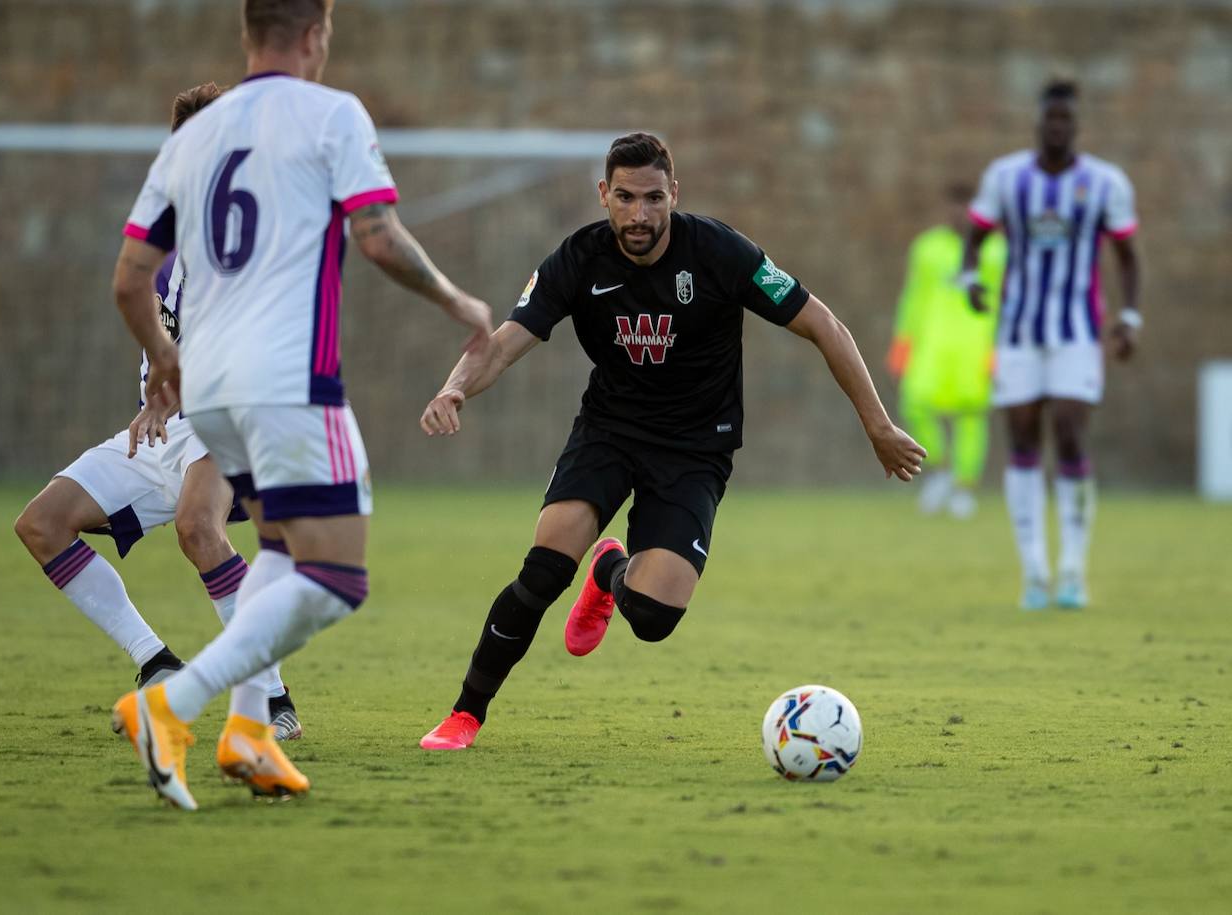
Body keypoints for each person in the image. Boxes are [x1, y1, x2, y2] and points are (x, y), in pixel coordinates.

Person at [417, 133, 925, 751]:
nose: (639, 214)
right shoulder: (577, 260)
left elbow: (824, 324)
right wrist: (454, 390)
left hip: (694, 449)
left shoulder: (719, 252)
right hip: (609, 432)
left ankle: (611, 570)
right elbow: (503, 342)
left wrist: (877, 425)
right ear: (604, 195)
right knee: (545, 568)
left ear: (673, 194)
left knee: (653, 620)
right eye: (626, 197)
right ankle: (465, 715)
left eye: (653, 198)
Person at [108, 0, 494, 809]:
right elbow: (379, 235)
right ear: (316, 35)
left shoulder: (191, 138)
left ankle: (249, 734)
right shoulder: (329, 114)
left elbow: (129, 278)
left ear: (249, 36)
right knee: (337, 578)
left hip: (208, 392)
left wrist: (165, 359)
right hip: (289, 382)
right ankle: (169, 705)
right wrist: (459, 302)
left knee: (280, 552)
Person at [13, 82, 302, 740]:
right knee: (41, 524)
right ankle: (156, 664)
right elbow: (139, 304)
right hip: (162, 425)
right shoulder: (163, 238)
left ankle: (270, 699)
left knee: (198, 528)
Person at [961, 78, 1140, 610]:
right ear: (1039, 123)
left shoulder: (1106, 182)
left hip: (1077, 333)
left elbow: (1130, 255)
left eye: (1067, 119)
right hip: (1017, 330)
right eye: (1050, 119)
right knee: (1020, 438)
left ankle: (1073, 572)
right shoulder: (1006, 177)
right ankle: (1035, 571)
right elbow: (975, 237)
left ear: (1077, 125)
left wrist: (1130, 316)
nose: (1058, 127)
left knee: (1068, 431)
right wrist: (970, 279)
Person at [887, 183, 1006, 519]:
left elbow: (1007, 304)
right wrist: (902, 343)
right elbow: (913, 297)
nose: (961, 214)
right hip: (932, 346)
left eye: (968, 207)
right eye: (956, 206)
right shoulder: (927, 248)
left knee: (972, 417)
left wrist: (1001, 350)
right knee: (914, 403)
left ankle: (964, 489)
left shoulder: (998, 250)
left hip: (977, 346)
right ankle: (940, 469)